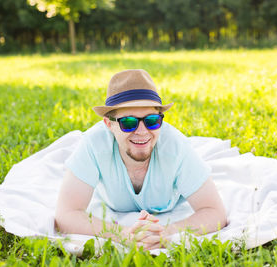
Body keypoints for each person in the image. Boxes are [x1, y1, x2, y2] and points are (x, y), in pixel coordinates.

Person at [55, 69, 227, 250]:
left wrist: (165, 233)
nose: (142, 131)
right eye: (128, 122)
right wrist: (123, 235)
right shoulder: (93, 144)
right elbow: (66, 214)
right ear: (109, 124)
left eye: (152, 120)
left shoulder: (176, 147)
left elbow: (215, 211)